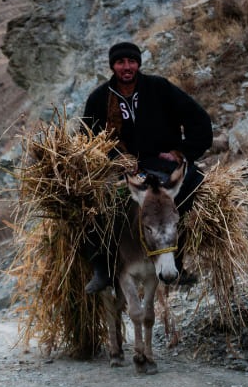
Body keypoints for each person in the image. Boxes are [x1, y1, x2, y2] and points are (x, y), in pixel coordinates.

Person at [81, 41, 213, 293]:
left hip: (160, 165)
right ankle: (103, 267)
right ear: (113, 66)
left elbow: (199, 120)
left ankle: (177, 261)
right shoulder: (99, 99)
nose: (127, 67)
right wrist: (113, 160)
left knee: (193, 188)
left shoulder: (159, 88)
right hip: (118, 170)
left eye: (131, 61)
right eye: (121, 62)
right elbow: (85, 141)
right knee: (92, 205)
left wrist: (182, 152)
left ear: (138, 64)